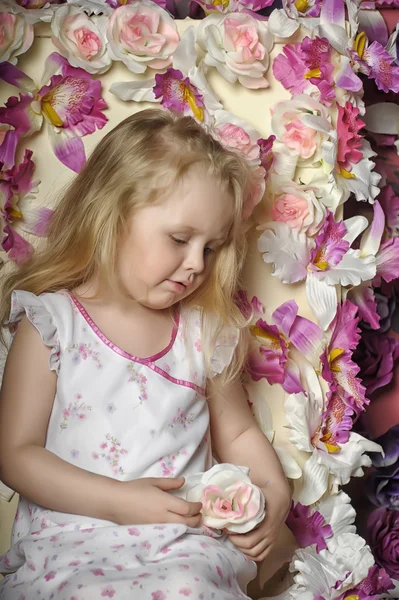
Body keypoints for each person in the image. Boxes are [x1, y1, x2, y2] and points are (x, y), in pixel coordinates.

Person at [0, 109, 291, 599]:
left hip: (182, 542)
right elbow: (15, 453)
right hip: (74, 535)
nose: (197, 264)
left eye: (213, 248)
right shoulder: (54, 324)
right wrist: (118, 502)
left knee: (188, 586)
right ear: (112, 215)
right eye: (180, 239)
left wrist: (274, 493)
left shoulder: (203, 334)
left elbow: (237, 431)